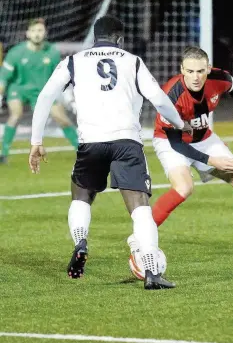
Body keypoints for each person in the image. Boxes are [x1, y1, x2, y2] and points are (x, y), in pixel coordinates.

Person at [29, 15, 201, 290]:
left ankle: (81, 241)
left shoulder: (73, 61)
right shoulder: (132, 61)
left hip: (91, 142)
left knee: (81, 196)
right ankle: (152, 273)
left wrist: (36, 140)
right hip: (127, 143)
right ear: (119, 38)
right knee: (140, 208)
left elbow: (45, 96)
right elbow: (158, 98)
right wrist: (180, 124)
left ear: (95, 37)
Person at [128, 46, 233, 256]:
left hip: (204, 137)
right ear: (182, 70)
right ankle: (139, 237)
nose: (195, 77)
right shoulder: (171, 95)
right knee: (184, 187)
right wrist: (211, 160)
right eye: (189, 71)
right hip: (171, 142)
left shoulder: (219, 78)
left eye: (200, 71)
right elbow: (176, 143)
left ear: (208, 69)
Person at [0, 18, 78, 163]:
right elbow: (3, 77)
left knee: (62, 118)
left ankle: (81, 150)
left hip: (42, 91)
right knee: (16, 115)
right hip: (19, 89)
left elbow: (59, 77)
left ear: (45, 33)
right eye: (34, 31)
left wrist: (67, 96)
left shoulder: (52, 52)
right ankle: (3, 153)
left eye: (40, 31)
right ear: (28, 33)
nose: (37, 34)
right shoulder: (16, 53)